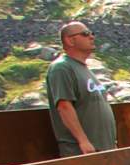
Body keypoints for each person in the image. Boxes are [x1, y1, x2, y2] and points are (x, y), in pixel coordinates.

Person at [44, 21, 116, 156]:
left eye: (91, 33)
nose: (92, 37)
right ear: (70, 40)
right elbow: (64, 106)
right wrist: (83, 141)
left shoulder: (85, 69)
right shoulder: (62, 67)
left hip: (103, 149)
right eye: (85, 34)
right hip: (82, 151)